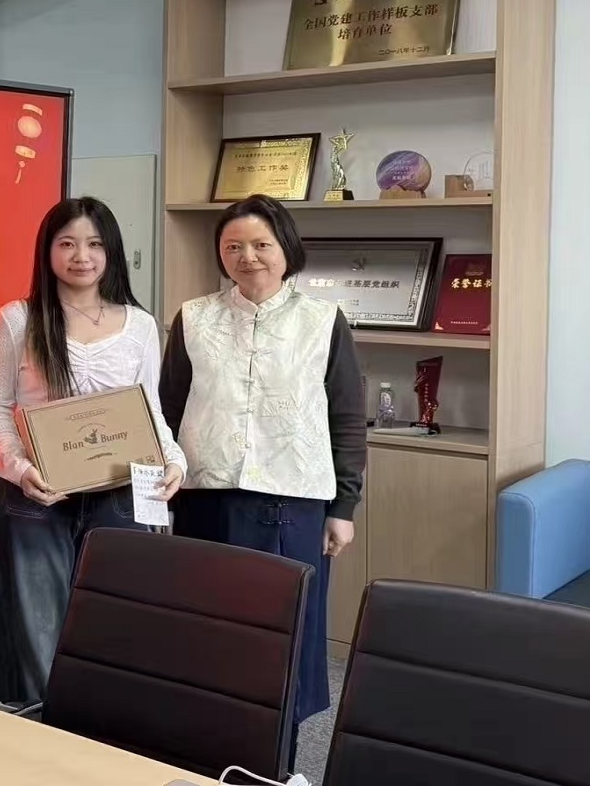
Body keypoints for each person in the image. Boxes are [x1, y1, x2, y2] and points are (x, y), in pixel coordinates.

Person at [157, 193, 366, 771]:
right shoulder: (194, 317)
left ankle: (276, 767)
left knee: (283, 639)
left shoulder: (322, 320)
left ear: (285, 249)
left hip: (292, 504)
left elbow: (347, 417)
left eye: (260, 245)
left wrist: (343, 507)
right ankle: (203, 759)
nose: (247, 256)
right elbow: (168, 409)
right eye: (233, 246)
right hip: (206, 500)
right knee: (207, 633)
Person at [0, 196, 187, 706]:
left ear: (110, 251)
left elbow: (149, 409)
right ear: (47, 250)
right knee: (35, 626)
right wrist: (19, 467)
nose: (81, 256)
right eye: (67, 243)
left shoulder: (139, 324)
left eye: (94, 244)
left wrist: (174, 460)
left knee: (116, 617)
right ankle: (38, 727)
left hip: (119, 491)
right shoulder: (17, 320)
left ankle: (105, 726)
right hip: (37, 495)